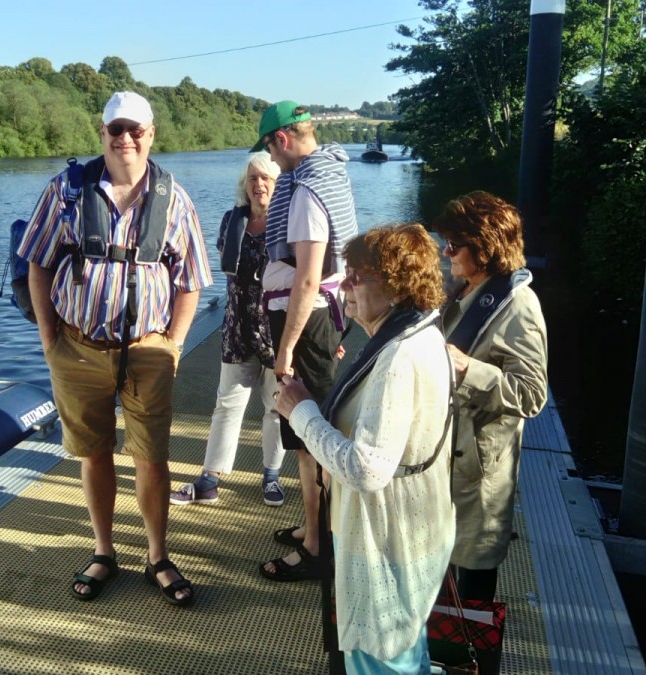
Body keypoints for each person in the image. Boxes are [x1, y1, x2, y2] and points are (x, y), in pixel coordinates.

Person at [16, 91, 213, 606]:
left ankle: (157, 557)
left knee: (152, 457)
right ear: (101, 134)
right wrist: (48, 338)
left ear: (151, 135)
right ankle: (104, 552)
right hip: (77, 348)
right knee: (94, 453)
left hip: (147, 350)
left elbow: (190, 279)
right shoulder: (65, 192)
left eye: (136, 130)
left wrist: (174, 344)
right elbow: (37, 263)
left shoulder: (175, 199)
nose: (126, 139)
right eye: (116, 130)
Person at [273, 223, 455, 674]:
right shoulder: (416, 334)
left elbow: (369, 469)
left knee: (382, 660)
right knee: (405, 654)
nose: (344, 283)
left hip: (388, 544)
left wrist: (303, 413)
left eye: (357, 275)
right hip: (412, 534)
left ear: (396, 286)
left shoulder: (397, 357)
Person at [252, 101, 358, 581]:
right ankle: (317, 526)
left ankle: (319, 548)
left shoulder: (307, 189)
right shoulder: (331, 173)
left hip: (307, 321)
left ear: (282, 139)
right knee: (310, 434)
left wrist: (286, 349)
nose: (272, 163)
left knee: (309, 437)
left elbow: (309, 279)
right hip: (325, 320)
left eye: (271, 151)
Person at [431, 191, 549, 602]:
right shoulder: (461, 289)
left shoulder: (519, 305)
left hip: (479, 468)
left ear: (486, 247)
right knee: (435, 570)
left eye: (455, 244)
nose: (447, 252)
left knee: (473, 582)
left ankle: (472, 663)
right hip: (440, 458)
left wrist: (467, 368)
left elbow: (532, 395)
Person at [169, 152, 287, 508]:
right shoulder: (229, 221)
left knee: (276, 408)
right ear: (244, 185)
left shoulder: (288, 223)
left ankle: (271, 475)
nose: (259, 185)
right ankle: (210, 478)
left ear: (277, 183)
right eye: (253, 179)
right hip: (237, 326)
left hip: (277, 329)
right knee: (226, 405)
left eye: (266, 178)